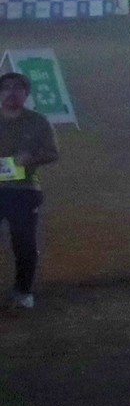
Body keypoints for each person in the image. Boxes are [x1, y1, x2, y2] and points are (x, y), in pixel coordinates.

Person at [0, 66, 60, 309]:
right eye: (5, 88)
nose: (11, 92)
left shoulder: (38, 121)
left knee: (24, 244)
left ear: (26, 94)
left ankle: (23, 291)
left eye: (18, 88)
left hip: (23, 192)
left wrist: (31, 158)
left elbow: (53, 153)